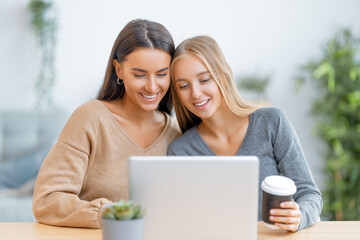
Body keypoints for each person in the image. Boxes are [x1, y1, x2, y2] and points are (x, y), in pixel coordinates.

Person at [33, 19, 181, 228]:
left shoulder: (176, 134)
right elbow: (46, 200)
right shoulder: (90, 118)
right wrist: (108, 214)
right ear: (118, 70)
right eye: (139, 74)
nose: (151, 86)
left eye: (162, 74)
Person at [167, 36, 323, 232]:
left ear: (225, 74)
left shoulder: (271, 122)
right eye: (183, 86)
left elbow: (309, 193)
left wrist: (299, 216)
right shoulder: (180, 151)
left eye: (204, 79)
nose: (195, 93)